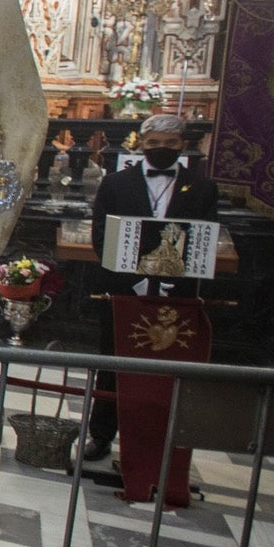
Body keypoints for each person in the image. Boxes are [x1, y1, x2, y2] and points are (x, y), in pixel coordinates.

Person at [83, 113, 220, 461]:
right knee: (113, 365)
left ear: (182, 146)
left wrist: (170, 276)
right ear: (141, 144)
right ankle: (101, 434)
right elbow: (101, 234)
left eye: (170, 144)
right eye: (154, 143)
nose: (162, 149)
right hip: (124, 290)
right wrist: (139, 277)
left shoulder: (203, 187)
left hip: (178, 293)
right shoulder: (115, 183)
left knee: (169, 367)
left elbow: (203, 238)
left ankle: (161, 440)